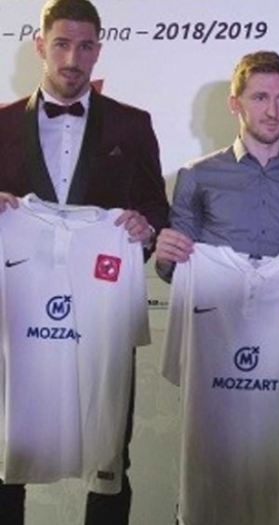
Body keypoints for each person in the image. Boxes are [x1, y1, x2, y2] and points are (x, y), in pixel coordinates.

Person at [0, 0, 169, 523]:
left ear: (99, 50)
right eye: (62, 44)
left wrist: (145, 228)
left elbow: (156, 208)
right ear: (39, 46)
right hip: (18, 314)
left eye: (85, 46)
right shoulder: (0, 123)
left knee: (108, 447)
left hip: (100, 312)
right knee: (5, 448)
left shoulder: (132, 124)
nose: (73, 59)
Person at [154, 51, 279, 276]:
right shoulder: (196, 175)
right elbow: (175, 270)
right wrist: (166, 259)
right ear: (235, 104)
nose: (273, 112)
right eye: (260, 98)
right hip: (216, 298)